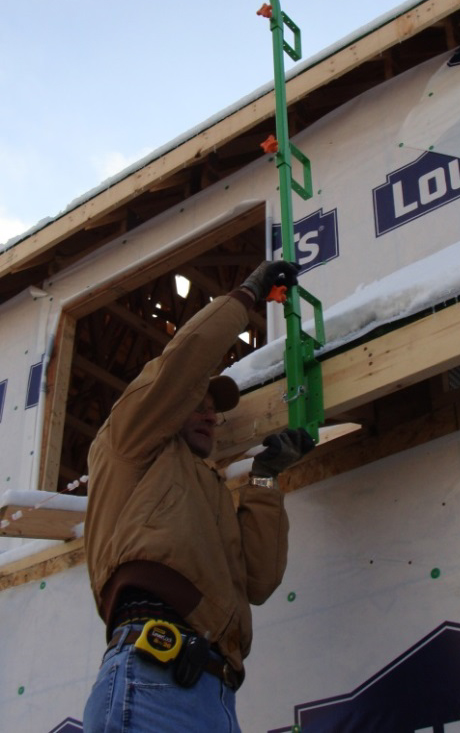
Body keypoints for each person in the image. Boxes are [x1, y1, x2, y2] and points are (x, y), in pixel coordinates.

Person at [83, 260, 315, 732]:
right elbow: (185, 359)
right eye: (198, 404)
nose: (210, 416)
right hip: (154, 677)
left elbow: (260, 581)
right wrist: (246, 296)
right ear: (172, 405)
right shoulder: (131, 440)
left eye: (215, 411)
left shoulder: (206, 489)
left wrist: (266, 479)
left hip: (215, 691)